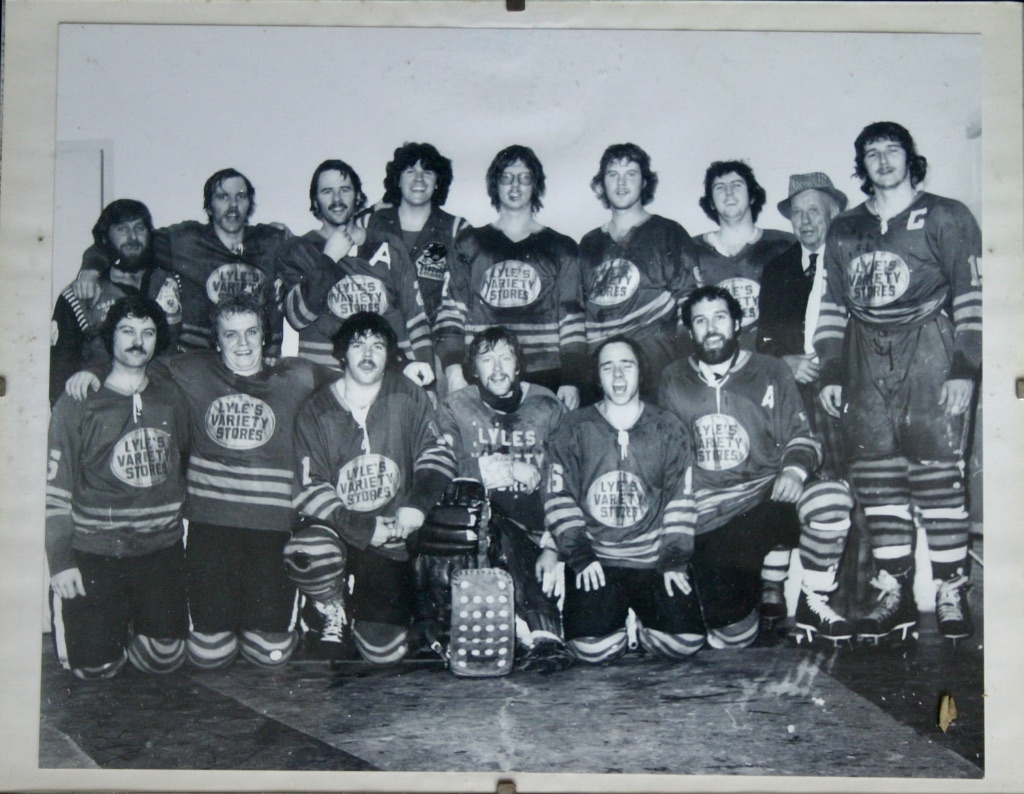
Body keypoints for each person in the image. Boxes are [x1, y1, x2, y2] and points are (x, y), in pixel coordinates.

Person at [67, 292, 336, 670]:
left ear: (264, 336)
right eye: (231, 334)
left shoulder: (296, 374)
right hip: (211, 527)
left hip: (273, 528)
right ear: (217, 341)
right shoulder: (193, 369)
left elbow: (355, 380)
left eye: (251, 332)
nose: (243, 343)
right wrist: (94, 370)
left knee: (270, 654)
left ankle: (312, 610)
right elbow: (134, 362)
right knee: (211, 655)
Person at [815, 121, 982, 644]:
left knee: (937, 471)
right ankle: (896, 591)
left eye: (893, 150)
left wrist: (964, 367)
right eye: (872, 153)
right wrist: (831, 370)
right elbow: (832, 304)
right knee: (877, 474)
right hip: (864, 354)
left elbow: (970, 294)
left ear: (911, 158)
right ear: (861, 165)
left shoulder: (948, 215)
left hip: (930, 347)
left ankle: (951, 589)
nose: (883, 160)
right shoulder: (845, 228)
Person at [659, 287, 854, 648]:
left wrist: (793, 471)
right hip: (711, 515)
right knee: (731, 637)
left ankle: (813, 602)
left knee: (829, 498)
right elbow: (667, 461)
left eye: (720, 318)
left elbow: (802, 437)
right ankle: (753, 599)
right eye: (700, 321)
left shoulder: (770, 369)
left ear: (737, 323)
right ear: (690, 331)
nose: (711, 328)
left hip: (765, 498)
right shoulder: (673, 378)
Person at [284, 312, 457, 665]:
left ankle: (359, 608)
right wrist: (362, 527)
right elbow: (309, 488)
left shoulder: (406, 394)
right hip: (337, 530)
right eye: (357, 345)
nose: (367, 354)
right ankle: (328, 604)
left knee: (384, 651)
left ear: (389, 354)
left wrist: (416, 504)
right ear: (342, 353)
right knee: (308, 549)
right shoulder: (316, 409)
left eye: (377, 346)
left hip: (389, 535)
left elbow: (437, 454)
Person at [47, 297, 190, 679]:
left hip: (159, 550)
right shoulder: (77, 402)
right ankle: (103, 628)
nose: (137, 341)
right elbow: (56, 492)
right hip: (97, 551)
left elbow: (184, 460)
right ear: (110, 337)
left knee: (164, 659)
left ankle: (127, 622)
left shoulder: (171, 396)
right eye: (127, 331)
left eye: (148, 332)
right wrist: (61, 562)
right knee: (96, 669)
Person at [542, 336, 703, 664]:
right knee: (592, 652)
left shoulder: (667, 427)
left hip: (651, 560)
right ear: (597, 376)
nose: (617, 375)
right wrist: (581, 556)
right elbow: (558, 497)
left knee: (684, 644)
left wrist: (673, 559)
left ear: (640, 371)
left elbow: (681, 499)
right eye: (608, 367)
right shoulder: (573, 427)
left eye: (626, 365)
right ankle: (615, 624)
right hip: (597, 560)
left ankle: (638, 627)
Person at [435, 326, 571, 670]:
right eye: (487, 360)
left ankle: (532, 627)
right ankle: (529, 629)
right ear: (473, 368)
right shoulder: (455, 406)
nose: (497, 369)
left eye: (506, 358)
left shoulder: (547, 404)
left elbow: (573, 476)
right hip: (484, 529)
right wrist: (503, 468)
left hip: (540, 529)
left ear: (519, 364)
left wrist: (555, 542)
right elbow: (439, 469)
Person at [754, 173, 849, 621]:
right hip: (790, 394)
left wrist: (832, 371)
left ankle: (828, 594)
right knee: (785, 477)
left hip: (839, 394)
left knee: (836, 486)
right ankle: (773, 585)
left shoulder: (849, 258)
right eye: (798, 213)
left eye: (815, 211)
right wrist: (786, 361)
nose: (806, 221)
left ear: (833, 213)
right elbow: (763, 339)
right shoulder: (779, 268)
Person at [74, 168, 289, 357]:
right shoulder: (185, 239)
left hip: (255, 355)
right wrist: (90, 270)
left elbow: (303, 253)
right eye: (223, 197)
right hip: (198, 358)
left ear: (250, 203)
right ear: (209, 206)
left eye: (241, 196)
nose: (233, 205)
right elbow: (129, 243)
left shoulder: (270, 240)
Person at [435, 145, 585, 409]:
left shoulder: (561, 247)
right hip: (483, 375)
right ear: (495, 184)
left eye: (524, 178)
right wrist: (454, 371)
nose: (515, 186)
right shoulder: (470, 244)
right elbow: (451, 313)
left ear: (535, 185)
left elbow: (572, 320)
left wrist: (571, 379)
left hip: (544, 374)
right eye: (506, 177)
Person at [276, 159, 433, 369]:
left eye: (345, 190)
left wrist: (426, 374)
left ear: (358, 196)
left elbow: (416, 318)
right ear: (315, 200)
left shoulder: (389, 244)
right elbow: (297, 318)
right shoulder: (298, 249)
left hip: (386, 371)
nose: (337, 199)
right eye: (327, 192)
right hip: (324, 375)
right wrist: (329, 258)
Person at [579, 143, 696, 398]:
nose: (621, 183)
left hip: (657, 369)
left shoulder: (668, 232)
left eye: (630, 174)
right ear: (602, 183)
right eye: (613, 175)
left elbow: (690, 305)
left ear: (644, 182)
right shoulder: (589, 243)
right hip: (605, 373)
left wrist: (686, 370)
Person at [49, 199, 180, 405]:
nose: (133, 237)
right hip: (102, 407)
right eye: (122, 229)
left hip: (161, 404)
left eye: (139, 228)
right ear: (106, 236)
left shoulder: (170, 282)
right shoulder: (80, 295)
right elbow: (60, 372)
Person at [689, 160, 794, 350]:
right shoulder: (691, 251)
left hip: (771, 357)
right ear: (711, 202)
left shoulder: (784, 245)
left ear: (752, 196)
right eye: (719, 187)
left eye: (737, 185)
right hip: (714, 355)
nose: (729, 193)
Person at [366, 142, 470, 333]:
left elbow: (461, 296)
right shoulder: (371, 223)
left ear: (438, 181)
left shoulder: (457, 229)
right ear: (397, 179)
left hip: (434, 338)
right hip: (379, 337)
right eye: (410, 171)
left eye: (427, 172)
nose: (419, 179)